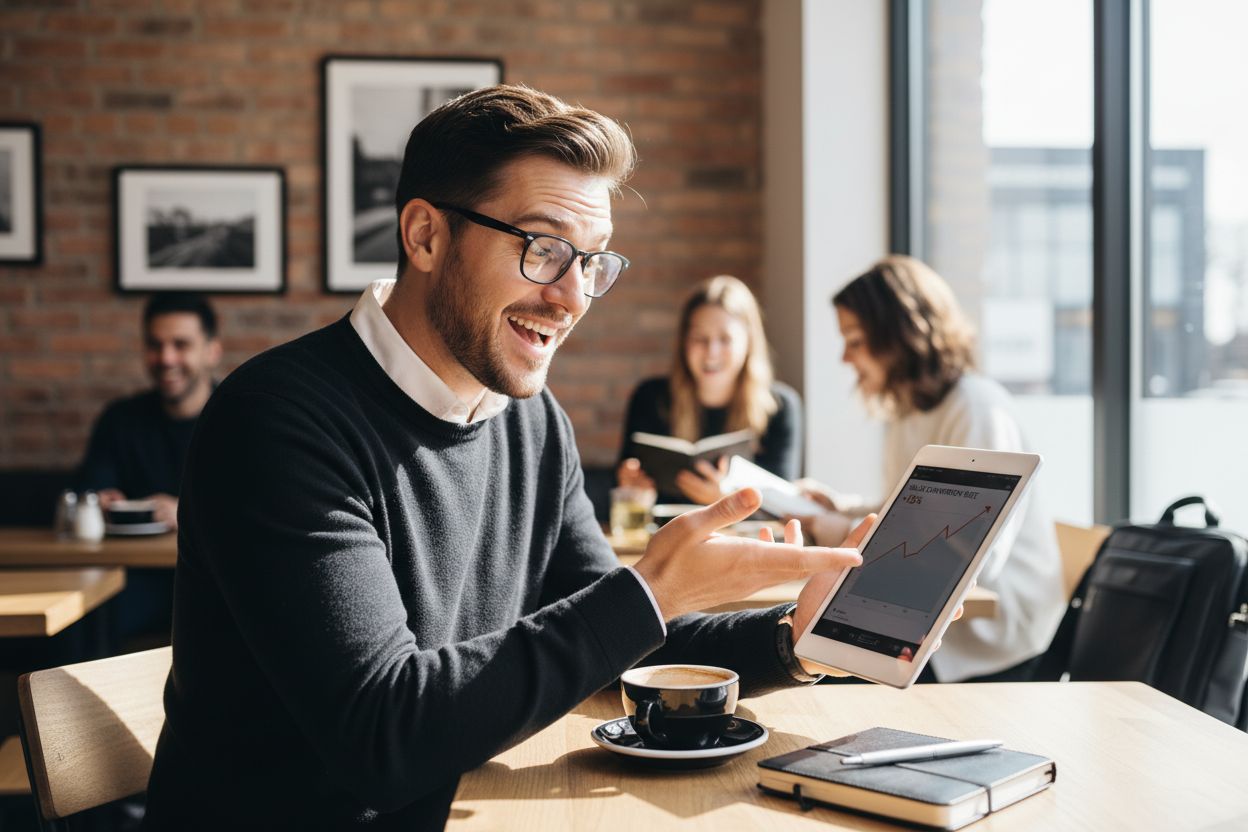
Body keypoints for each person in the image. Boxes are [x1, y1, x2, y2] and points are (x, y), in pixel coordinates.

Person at [142, 86, 868, 831]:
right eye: (543, 249)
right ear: (425, 237)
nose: (572, 297)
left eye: (591, 262)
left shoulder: (530, 422)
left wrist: (793, 636)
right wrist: (651, 591)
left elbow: (615, 637)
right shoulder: (278, 421)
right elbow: (384, 734)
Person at [796, 255, 1066, 684]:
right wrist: (842, 507)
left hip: (990, 637)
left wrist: (836, 528)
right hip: (935, 623)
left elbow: (974, 557)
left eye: (856, 339)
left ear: (898, 338)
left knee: (826, 668)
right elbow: (910, 513)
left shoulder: (976, 409)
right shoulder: (909, 412)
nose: (845, 357)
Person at [76, 291, 221, 642]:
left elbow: (260, 506)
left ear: (211, 351)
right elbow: (89, 491)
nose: (166, 358)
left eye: (180, 344)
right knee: (82, 614)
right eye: (155, 345)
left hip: (212, 580)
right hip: (130, 577)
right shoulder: (121, 419)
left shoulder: (237, 418)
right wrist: (101, 501)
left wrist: (185, 512)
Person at [617, 275, 802, 504]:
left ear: (748, 343)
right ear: (684, 343)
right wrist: (629, 482)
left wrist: (728, 503)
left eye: (725, 339)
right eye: (699, 338)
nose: (711, 352)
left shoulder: (780, 406)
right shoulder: (650, 398)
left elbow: (783, 506)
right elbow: (623, 483)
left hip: (742, 537)